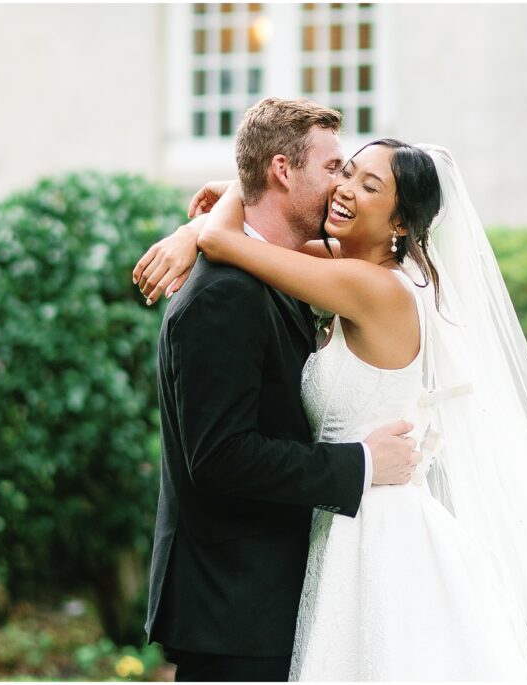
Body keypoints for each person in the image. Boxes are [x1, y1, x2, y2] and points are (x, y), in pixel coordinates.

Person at [137, 122, 527, 680]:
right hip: (340, 523)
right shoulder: (344, 268)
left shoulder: (377, 289)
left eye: (368, 185)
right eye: (342, 171)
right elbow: (269, 241)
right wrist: (242, 190)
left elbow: (228, 244)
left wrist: (222, 205)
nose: (344, 187)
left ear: (401, 223)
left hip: (376, 528)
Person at [138, 98, 424, 683]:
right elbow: (221, 456)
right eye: (334, 169)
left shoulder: (288, 272)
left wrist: (204, 219)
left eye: (357, 178)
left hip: (285, 593)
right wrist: (362, 464)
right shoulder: (224, 295)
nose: (342, 187)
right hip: (234, 607)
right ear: (282, 171)